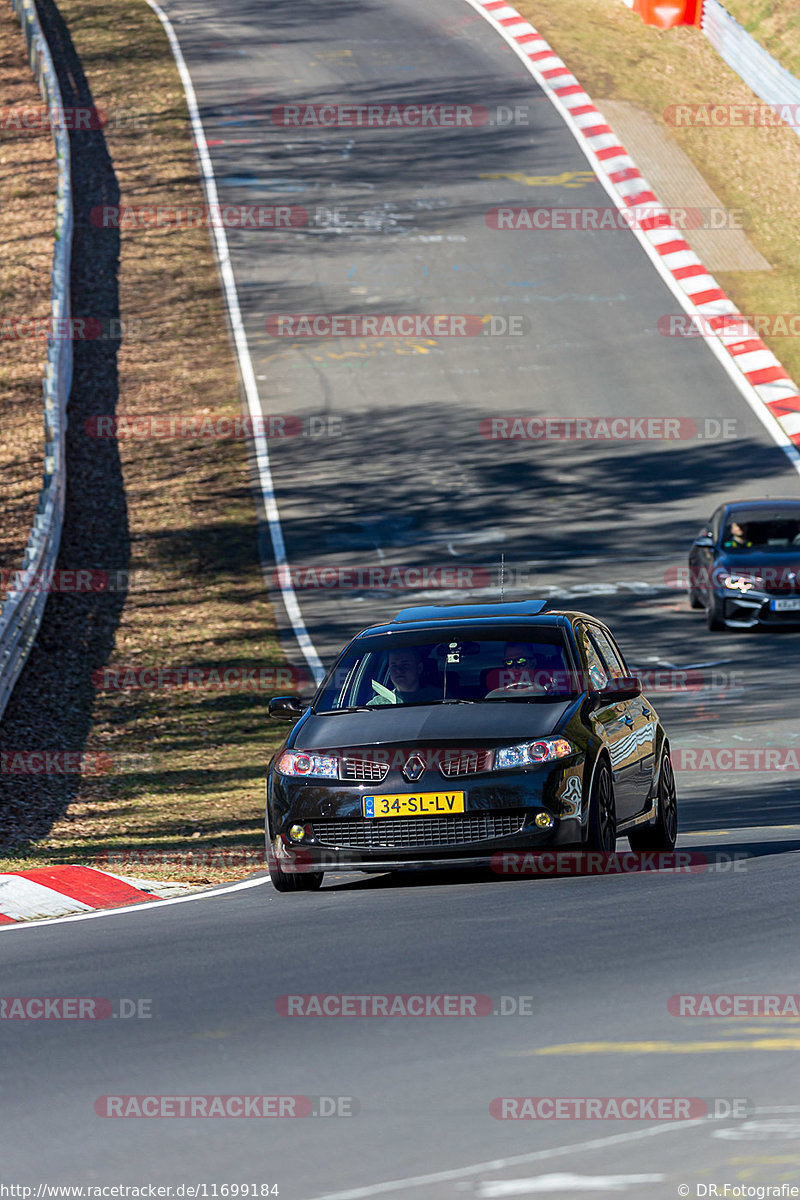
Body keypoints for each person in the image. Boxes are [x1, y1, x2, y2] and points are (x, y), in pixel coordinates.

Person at [368, 646, 441, 705]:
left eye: (405, 665)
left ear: (419, 668)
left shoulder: (439, 699)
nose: (398, 670)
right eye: (394, 666)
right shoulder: (377, 705)